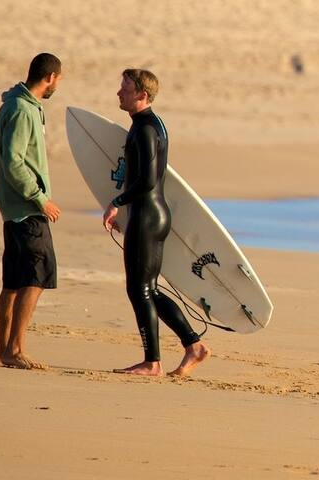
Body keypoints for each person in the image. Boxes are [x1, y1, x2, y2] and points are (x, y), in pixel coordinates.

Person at [102, 68, 210, 377]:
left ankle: (153, 362)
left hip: (148, 216)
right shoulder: (151, 124)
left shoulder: (145, 129)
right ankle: (193, 346)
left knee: (140, 290)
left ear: (142, 95)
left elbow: (147, 180)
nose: (119, 93)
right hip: (151, 215)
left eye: (125, 88)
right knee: (147, 289)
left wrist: (117, 204)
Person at [0, 53, 63, 370]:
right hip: (26, 208)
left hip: (14, 209)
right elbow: (14, 162)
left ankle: (2, 351)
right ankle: (15, 348)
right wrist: (39, 198)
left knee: (15, 281)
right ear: (51, 78)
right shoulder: (21, 110)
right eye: (59, 79)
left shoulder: (17, 106)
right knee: (38, 274)